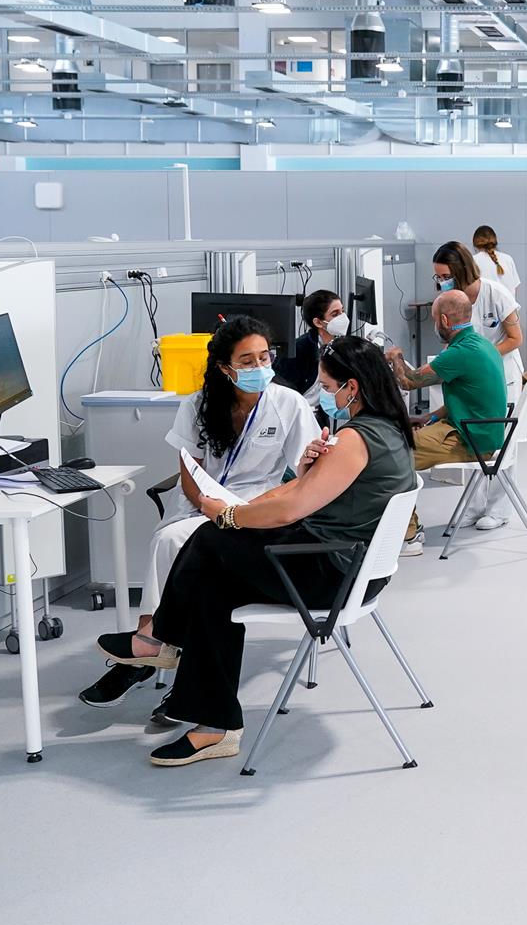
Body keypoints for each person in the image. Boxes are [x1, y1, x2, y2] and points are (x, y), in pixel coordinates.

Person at [93, 337, 415, 766]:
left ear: (351, 387)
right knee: (213, 587)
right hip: (349, 566)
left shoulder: (356, 438)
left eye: (326, 387)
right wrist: (306, 471)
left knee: (208, 538)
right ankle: (213, 726)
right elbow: (307, 494)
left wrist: (229, 515)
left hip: (333, 572)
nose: (323, 396)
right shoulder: (387, 430)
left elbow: (293, 508)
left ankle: (159, 639)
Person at [80, 316, 320, 711]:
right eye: (247, 361)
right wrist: (207, 508)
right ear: (225, 368)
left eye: (264, 357)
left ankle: (150, 648)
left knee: (179, 545)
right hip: (199, 503)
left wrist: (244, 511)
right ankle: (153, 649)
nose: (260, 367)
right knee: (170, 539)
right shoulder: (197, 404)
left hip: (255, 506)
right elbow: (189, 473)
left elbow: (306, 473)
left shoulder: (288, 404)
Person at [387, 289, 510, 552]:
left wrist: (395, 356)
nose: (435, 325)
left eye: (434, 320)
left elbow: (409, 381)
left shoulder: (460, 352)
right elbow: (468, 398)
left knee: (396, 454)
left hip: (471, 439)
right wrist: (428, 417)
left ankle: (408, 536)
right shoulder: (482, 344)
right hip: (478, 430)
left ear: (443, 320)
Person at [434, 239, 525, 403]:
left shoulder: (497, 294)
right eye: (438, 278)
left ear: (462, 270)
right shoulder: (450, 300)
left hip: (503, 373)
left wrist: (481, 356)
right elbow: (452, 340)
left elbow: (516, 339)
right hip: (473, 376)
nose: (442, 283)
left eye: (446, 277)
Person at [276, 288, 384, 409]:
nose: (343, 318)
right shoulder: (298, 351)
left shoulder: (341, 346)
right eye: (335, 314)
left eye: (342, 311)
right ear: (318, 322)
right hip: (299, 412)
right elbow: (283, 397)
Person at [473, 225, 520, 298]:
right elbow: (515, 287)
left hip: (485, 305)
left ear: (475, 244)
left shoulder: (473, 260)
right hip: (509, 304)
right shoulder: (508, 259)